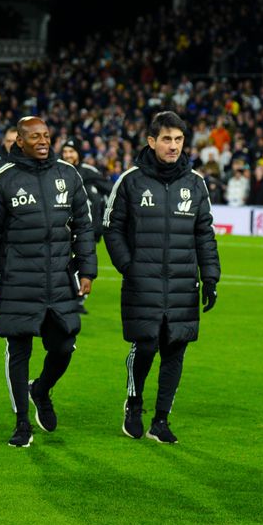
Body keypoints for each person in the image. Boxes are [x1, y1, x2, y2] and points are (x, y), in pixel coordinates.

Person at [0, 116, 97, 448]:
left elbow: (85, 225)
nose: (43, 141)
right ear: (19, 141)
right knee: (19, 349)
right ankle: (21, 423)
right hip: (17, 280)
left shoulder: (68, 176)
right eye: (34, 137)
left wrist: (87, 269)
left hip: (58, 280)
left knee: (64, 346)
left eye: (46, 135)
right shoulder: (3, 179)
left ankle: (40, 389)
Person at [103, 111, 220, 444]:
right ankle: (134, 402)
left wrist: (210, 276)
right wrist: (130, 267)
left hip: (183, 283)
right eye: (167, 139)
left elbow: (204, 233)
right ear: (151, 141)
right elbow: (111, 227)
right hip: (144, 281)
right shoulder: (130, 180)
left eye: (179, 139)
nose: (173, 146)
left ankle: (162, 419)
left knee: (175, 350)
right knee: (146, 345)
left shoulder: (195, 183)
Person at [60, 138, 112, 242]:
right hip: (64, 231)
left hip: (90, 231)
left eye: (71, 151)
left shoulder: (88, 171)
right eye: (65, 152)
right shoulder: (58, 172)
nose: (68, 155)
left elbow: (111, 189)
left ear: (78, 153)